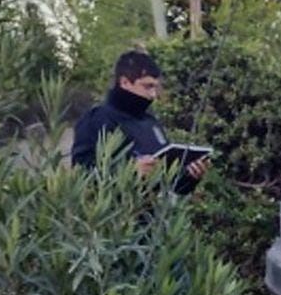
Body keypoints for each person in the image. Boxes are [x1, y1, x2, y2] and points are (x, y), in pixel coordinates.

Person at [71, 50, 210, 193]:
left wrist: (190, 176)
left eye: (155, 87)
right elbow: (82, 175)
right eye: (147, 86)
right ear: (124, 82)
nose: (153, 95)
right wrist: (129, 173)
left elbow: (169, 184)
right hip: (116, 212)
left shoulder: (151, 123)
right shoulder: (96, 120)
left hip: (154, 213)